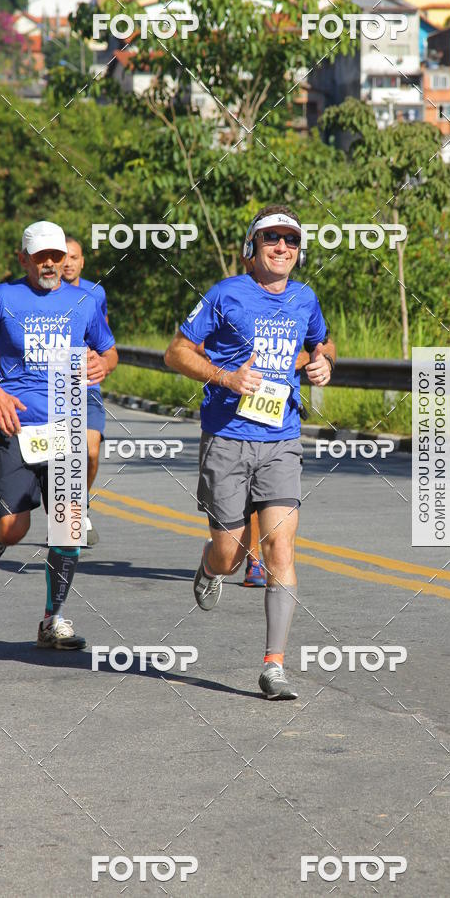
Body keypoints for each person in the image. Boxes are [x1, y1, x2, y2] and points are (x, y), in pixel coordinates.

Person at [165, 204, 336, 699]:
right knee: (231, 553)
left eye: (291, 241)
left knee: (280, 546)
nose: (282, 247)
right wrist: (226, 377)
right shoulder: (226, 294)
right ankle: (209, 567)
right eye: (271, 239)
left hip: (281, 439)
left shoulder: (305, 298)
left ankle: (274, 665)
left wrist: (322, 366)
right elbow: (176, 351)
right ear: (252, 249)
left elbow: (321, 346)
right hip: (227, 438)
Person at [0, 221, 117, 649]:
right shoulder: (2, 298)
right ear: (23, 258)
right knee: (14, 526)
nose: (50, 263)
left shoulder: (84, 299)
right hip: (15, 425)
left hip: (66, 424)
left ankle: (54, 619)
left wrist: (105, 365)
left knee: (68, 527)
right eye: (40, 256)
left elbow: (109, 349)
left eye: (56, 255)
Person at [62, 235, 107, 547]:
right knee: (62, 455)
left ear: (82, 262)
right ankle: (66, 513)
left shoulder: (95, 292)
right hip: (52, 382)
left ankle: (81, 503)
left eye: (74, 257)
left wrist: (100, 359)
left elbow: (103, 334)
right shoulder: (44, 294)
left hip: (86, 383)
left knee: (90, 450)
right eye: (63, 257)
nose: (68, 263)